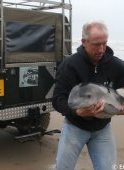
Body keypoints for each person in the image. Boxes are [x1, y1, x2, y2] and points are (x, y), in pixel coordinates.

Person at [52, 21, 124, 170]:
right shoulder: (69, 66)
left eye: (104, 43)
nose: (102, 49)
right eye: (96, 44)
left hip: (102, 129)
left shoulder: (115, 65)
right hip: (75, 127)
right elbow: (57, 99)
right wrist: (76, 111)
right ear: (84, 42)